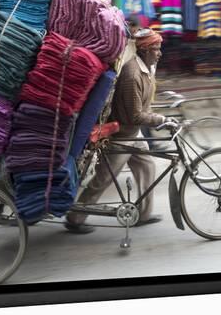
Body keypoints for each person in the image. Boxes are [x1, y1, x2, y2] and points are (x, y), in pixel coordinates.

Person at [65, 28, 177, 234]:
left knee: (147, 166)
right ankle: (74, 217)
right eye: (156, 49)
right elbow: (134, 115)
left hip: (134, 133)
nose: (159, 53)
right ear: (144, 50)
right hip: (122, 135)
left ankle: (143, 214)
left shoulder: (146, 69)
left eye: (159, 49)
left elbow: (143, 110)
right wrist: (161, 120)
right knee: (104, 179)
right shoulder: (132, 74)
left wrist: (158, 118)